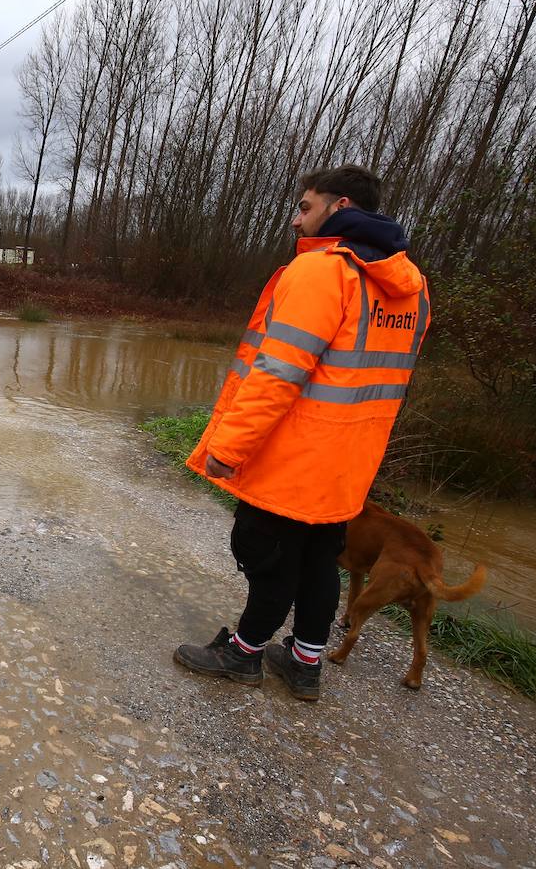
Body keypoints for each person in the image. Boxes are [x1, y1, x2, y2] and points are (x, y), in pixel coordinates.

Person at [173, 164, 430, 701]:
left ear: (340, 209)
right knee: (319, 559)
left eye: (305, 207)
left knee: (265, 551)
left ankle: (243, 654)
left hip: (294, 454)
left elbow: (277, 374)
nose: (296, 219)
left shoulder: (321, 273)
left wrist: (228, 447)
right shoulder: (413, 287)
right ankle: (305, 660)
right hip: (352, 461)